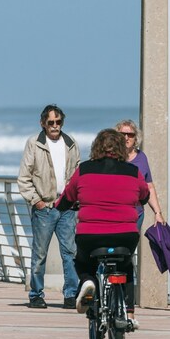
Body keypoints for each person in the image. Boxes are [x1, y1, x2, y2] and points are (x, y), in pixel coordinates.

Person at [56, 129, 149, 327]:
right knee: (126, 267)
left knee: (83, 263)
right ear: (121, 148)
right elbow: (144, 195)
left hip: (91, 235)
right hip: (125, 235)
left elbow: (66, 198)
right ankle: (129, 314)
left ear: (96, 147)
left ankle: (88, 282)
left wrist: (62, 205)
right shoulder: (133, 171)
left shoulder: (84, 169)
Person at [18, 104, 80, 309]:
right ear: (43, 123)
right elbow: (24, 177)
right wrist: (36, 201)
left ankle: (71, 295)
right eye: (51, 122)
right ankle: (36, 295)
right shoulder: (34, 143)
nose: (55, 126)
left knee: (70, 253)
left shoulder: (71, 143)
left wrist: (76, 198)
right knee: (40, 254)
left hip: (67, 207)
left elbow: (78, 173)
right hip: (44, 208)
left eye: (58, 122)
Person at [115, 120, 165, 230]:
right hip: (115, 215)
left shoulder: (141, 157)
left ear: (136, 138)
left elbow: (149, 186)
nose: (126, 138)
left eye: (130, 135)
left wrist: (157, 213)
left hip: (136, 215)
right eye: (122, 134)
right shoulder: (112, 157)